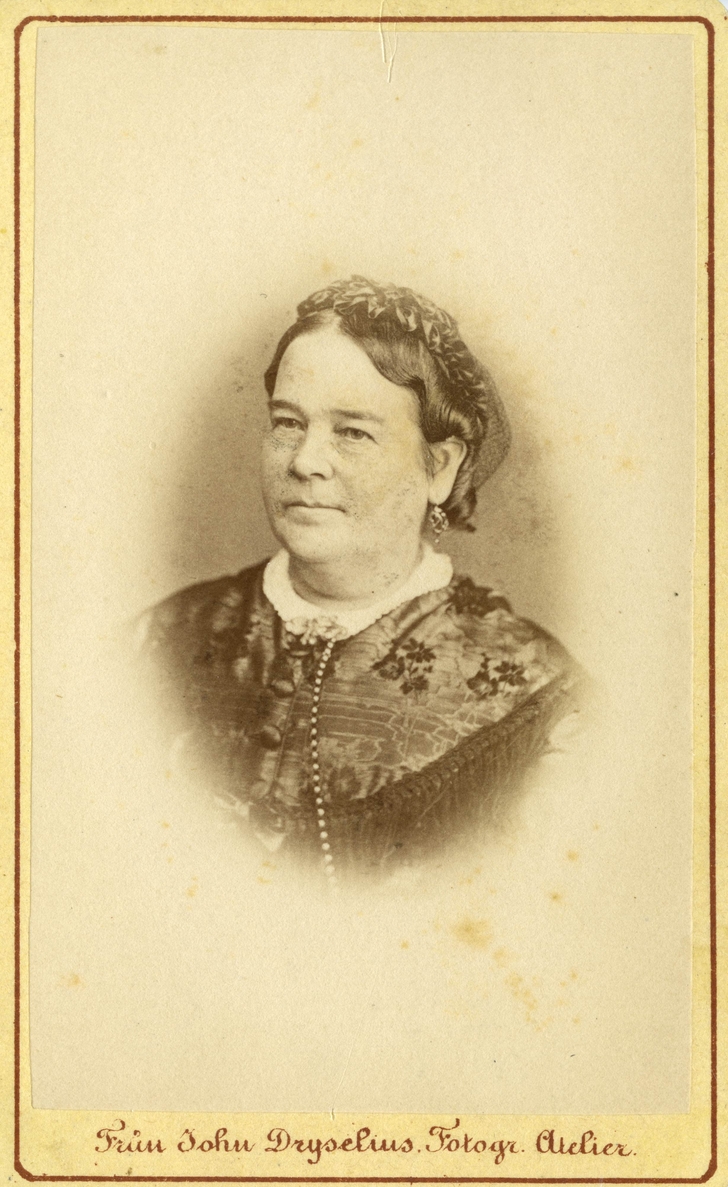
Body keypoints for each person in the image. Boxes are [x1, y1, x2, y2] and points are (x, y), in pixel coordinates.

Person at [139, 276, 586, 889]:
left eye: (352, 432)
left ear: (441, 466)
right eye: (288, 423)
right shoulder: (159, 637)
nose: (305, 461)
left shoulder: (542, 702)